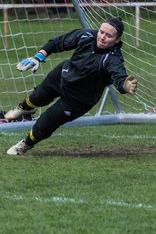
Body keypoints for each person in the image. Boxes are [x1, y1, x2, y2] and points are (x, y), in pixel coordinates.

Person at [5, 17, 137, 155]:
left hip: (79, 98)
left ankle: (25, 145)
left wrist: (125, 85)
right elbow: (58, 42)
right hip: (62, 75)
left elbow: (119, 77)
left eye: (108, 35)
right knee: (38, 96)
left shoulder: (113, 58)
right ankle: (24, 109)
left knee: (47, 121)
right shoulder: (86, 35)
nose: (102, 37)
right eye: (101, 32)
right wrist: (38, 57)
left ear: (117, 39)